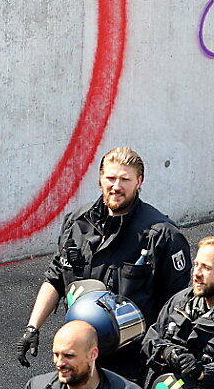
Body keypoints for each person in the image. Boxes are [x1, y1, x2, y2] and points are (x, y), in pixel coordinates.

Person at [16, 147, 190, 382]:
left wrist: (164, 355)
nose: (116, 186)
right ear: (100, 179)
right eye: (110, 178)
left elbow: (175, 305)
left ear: (139, 181)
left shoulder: (161, 235)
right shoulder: (77, 222)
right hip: (78, 353)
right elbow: (56, 277)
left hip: (127, 359)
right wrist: (32, 327)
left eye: (125, 179)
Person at [141, 237, 214, 388]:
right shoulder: (181, 301)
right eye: (196, 265)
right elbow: (150, 340)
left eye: (206, 268)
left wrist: (202, 373)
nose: (197, 274)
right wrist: (166, 352)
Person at [25, 320, 141, 389]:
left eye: (69, 356)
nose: (59, 363)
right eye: (56, 354)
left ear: (93, 354)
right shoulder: (37, 386)